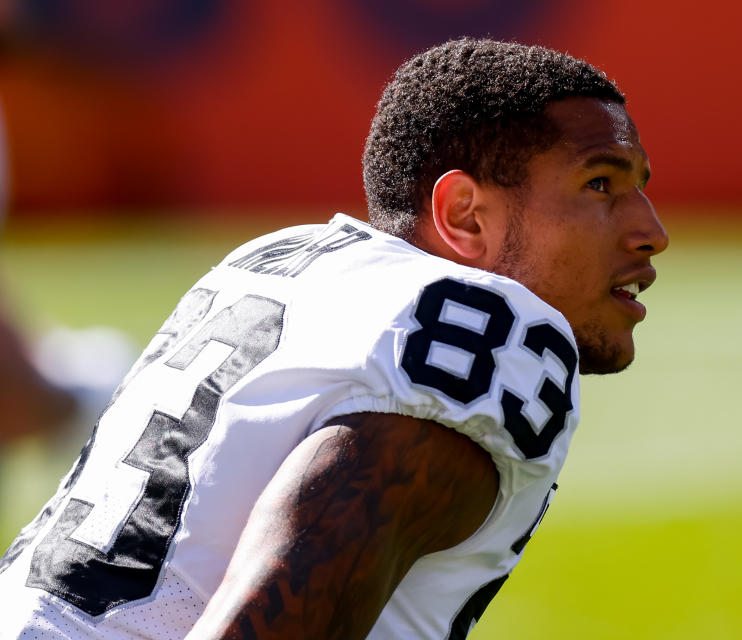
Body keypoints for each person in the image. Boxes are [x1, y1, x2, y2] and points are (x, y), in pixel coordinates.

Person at [0, 38, 668, 639]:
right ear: (464, 214)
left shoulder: (276, 260)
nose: (651, 231)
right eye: (600, 184)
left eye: (640, 187)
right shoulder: (486, 334)